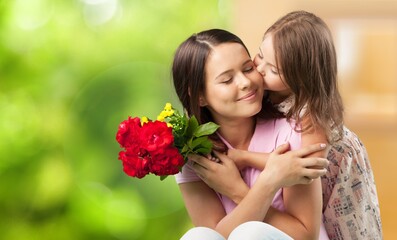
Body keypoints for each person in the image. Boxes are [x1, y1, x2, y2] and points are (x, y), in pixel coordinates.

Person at [227, 10, 382, 239]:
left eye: (273, 70)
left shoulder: (313, 114)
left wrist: (245, 158)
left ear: (301, 77)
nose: (259, 70)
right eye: (260, 56)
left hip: (339, 193)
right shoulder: (271, 94)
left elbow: (301, 166)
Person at [172, 28, 330, 239]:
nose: (246, 82)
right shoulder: (193, 155)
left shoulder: (294, 132)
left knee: (250, 233)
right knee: (197, 236)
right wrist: (268, 182)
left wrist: (238, 190)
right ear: (200, 96)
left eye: (248, 69)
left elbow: (305, 235)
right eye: (227, 80)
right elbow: (216, 236)